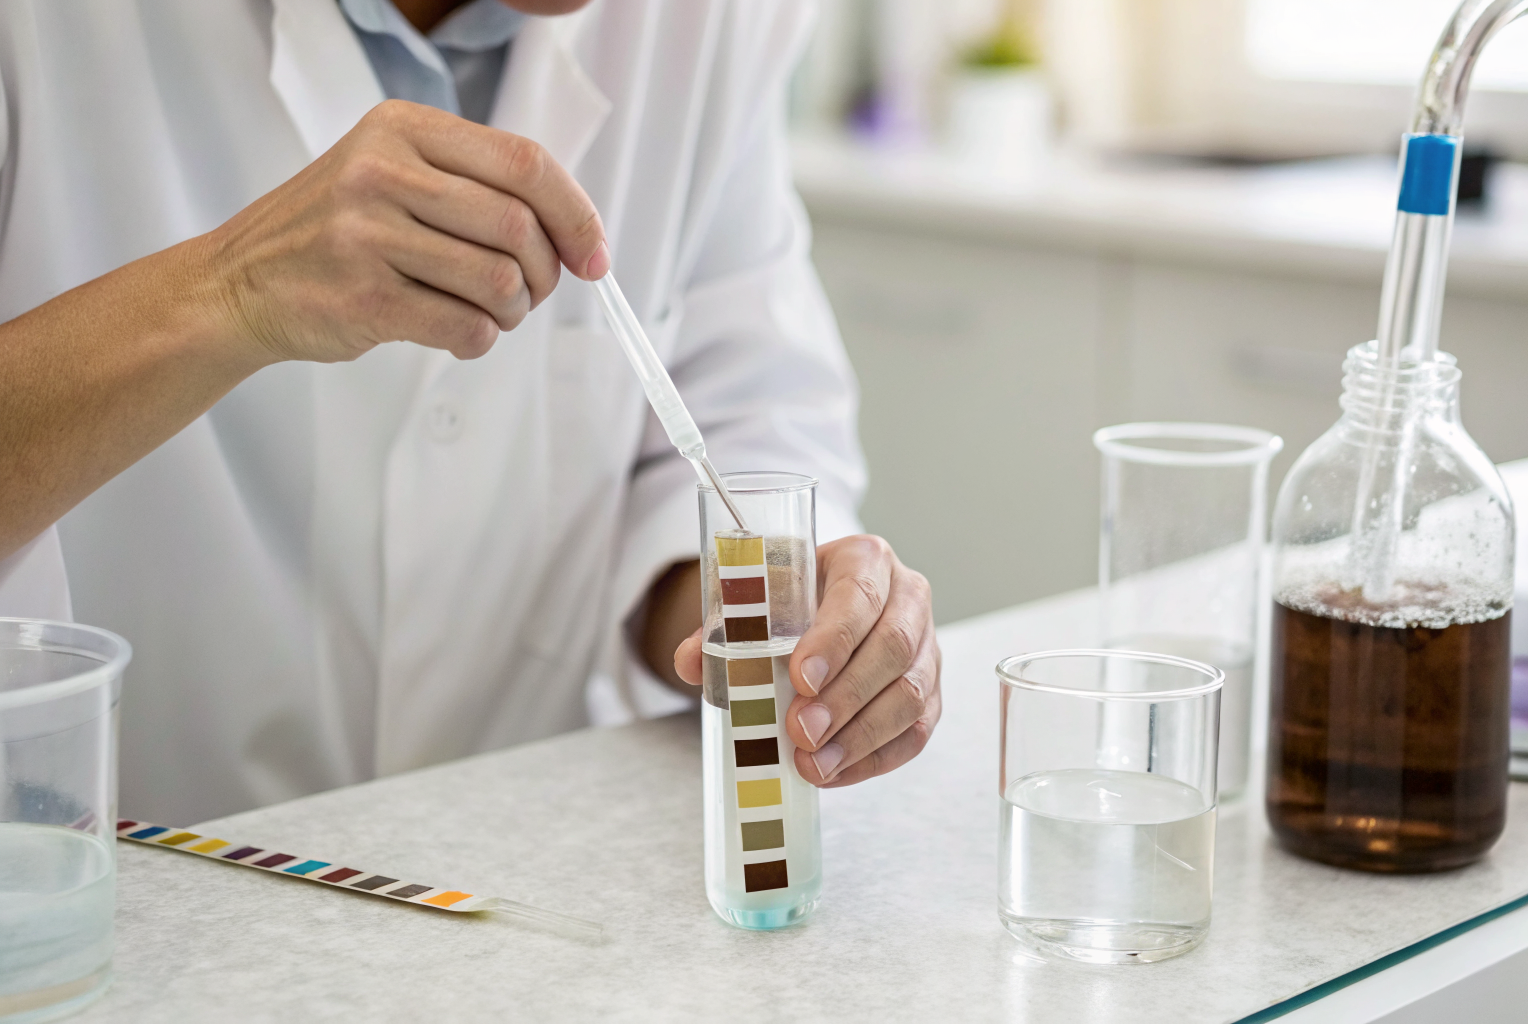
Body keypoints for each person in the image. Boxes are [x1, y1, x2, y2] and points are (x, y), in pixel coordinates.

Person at [0, 0, 941, 825]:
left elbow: (728, 418)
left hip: (511, 877)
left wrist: (776, 608)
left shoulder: (713, 19)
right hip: (105, 885)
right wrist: (231, 292)